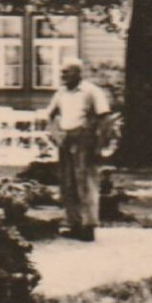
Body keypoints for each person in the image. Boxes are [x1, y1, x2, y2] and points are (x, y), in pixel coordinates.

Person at [45, 58, 111, 241]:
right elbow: (50, 115)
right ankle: (73, 223)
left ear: (78, 73)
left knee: (85, 181)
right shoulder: (61, 93)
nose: (63, 75)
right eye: (62, 72)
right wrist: (56, 135)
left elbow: (105, 118)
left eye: (67, 72)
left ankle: (88, 226)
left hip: (85, 139)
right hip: (66, 139)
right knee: (67, 183)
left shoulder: (91, 91)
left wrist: (99, 144)